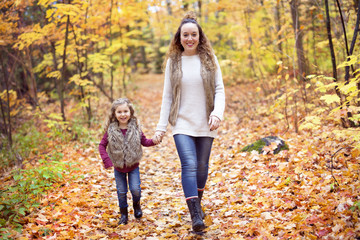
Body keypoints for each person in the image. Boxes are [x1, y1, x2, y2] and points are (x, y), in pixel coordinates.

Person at [154, 12, 225, 232]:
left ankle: (198, 203)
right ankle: (195, 214)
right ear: (179, 37)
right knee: (189, 165)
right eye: (186, 35)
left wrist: (217, 113)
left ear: (200, 36)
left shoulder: (209, 59)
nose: (190, 38)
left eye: (194, 34)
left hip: (206, 122)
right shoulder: (173, 63)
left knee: (202, 167)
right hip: (182, 123)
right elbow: (167, 96)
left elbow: (220, 90)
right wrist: (161, 127)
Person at [99, 98, 159, 225]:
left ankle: (136, 205)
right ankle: (124, 214)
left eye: (125, 111)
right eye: (119, 112)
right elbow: (101, 146)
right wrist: (107, 160)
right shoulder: (111, 130)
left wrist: (153, 140)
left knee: (135, 189)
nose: (123, 114)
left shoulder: (135, 128)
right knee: (121, 191)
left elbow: (144, 141)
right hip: (118, 167)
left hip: (133, 165)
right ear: (114, 114)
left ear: (130, 112)